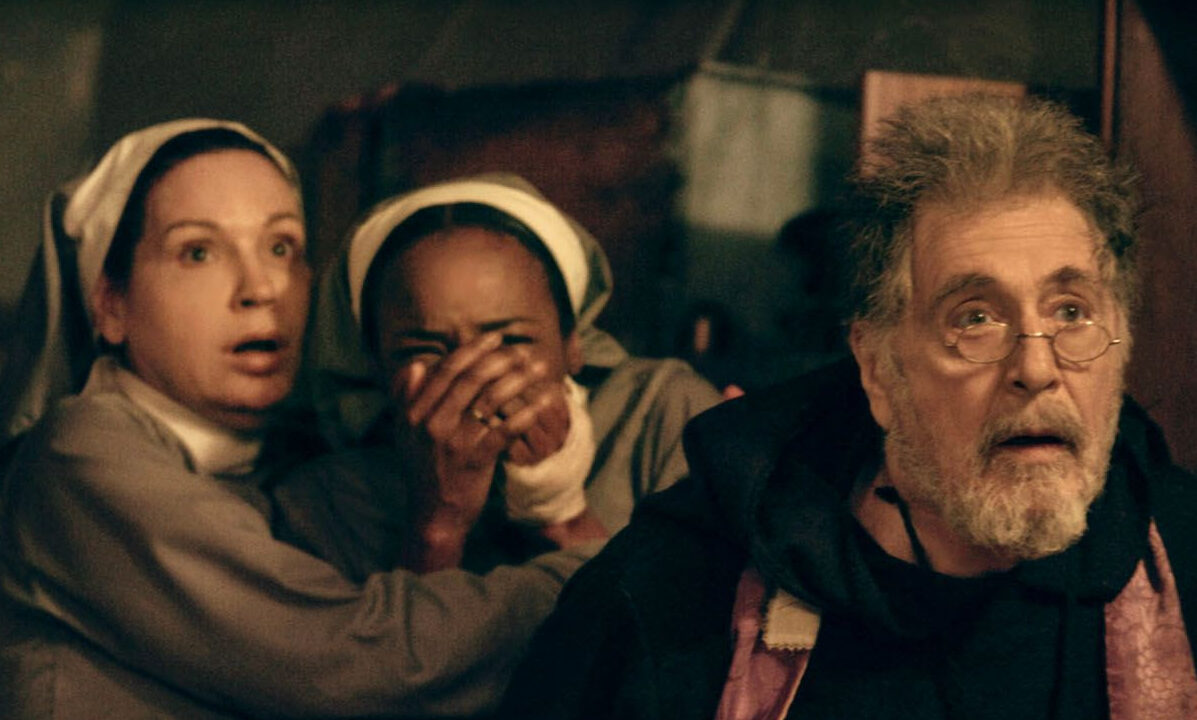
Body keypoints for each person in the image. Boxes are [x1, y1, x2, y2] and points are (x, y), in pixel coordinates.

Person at [499, 94, 1197, 719]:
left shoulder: (1182, 557)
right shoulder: (669, 602)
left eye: (1071, 310)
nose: (1036, 369)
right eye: (975, 319)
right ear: (878, 370)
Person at [0, 120, 594, 719]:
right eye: (198, 252)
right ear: (110, 304)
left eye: (282, 247)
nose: (261, 288)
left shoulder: (305, 469)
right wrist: (597, 568)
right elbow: (362, 669)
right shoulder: (80, 460)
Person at [277, 173, 723, 580]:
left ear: (572, 343)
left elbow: (702, 628)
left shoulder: (665, 416)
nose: (477, 377)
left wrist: (562, 514)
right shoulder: (327, 502)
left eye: (511, 340)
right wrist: (438, 525)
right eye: (424, 350)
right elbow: (385, 646)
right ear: (375, 364)